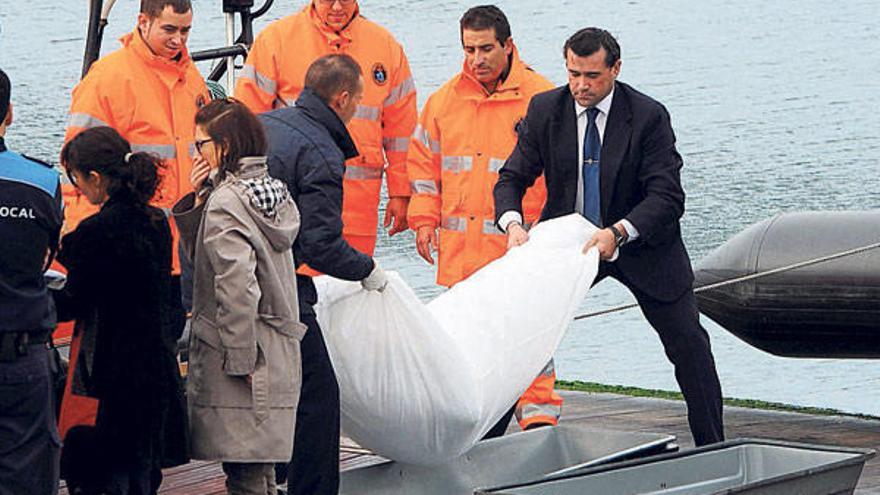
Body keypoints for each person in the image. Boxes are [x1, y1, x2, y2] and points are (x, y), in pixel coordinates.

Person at [494, 27, 724, 446]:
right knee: (521, 338)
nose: (581, 85)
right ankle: (480, 445)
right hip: (571, 244)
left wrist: (618, 233)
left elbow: (667, 197)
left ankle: (714, 446)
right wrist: (512, 224)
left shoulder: (649, 116)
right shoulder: (546, 110)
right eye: (573, 74)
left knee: (689, 343)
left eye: (593, 76)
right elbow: (511, 177)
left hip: (642, 244)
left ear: (615, 69)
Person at [406, 5, 562, 436]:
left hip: (519, 253)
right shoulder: (444, 101)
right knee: (471, 350)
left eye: (486, 48)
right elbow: (422, 166)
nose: (477, 58)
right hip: (463, 256)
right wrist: (423, 220)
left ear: (508, 45)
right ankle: (478, 428)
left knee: (532, 342)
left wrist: (547, 239)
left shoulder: (542, 99)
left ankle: (540, 426)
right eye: (469, 49)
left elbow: (561, 179)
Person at [259, 54, 388, 495]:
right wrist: (367, 270)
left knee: (269, 386)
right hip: (278, 285)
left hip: (234, 278)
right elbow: (319, 244)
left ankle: (270, 476)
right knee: (317, 393)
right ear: (343, 97)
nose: (357, 111)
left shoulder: (265, 123)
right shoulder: (321, 152)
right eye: (357, 103)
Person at [172, 99, 303, 495]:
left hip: (243, 351)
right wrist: (200, 198)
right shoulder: (272, 192)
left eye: (202, 145)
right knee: (260, 468)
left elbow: (235, 284)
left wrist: (240, 355)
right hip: (278, 345)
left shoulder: (228, 204)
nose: (197, 153)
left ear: (224, 146)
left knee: (245, 474)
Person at [53, 126, 189, 494]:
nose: (78, 189)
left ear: (95, 178)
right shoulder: (158, 222)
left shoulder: (94, 234)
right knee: (142, 474)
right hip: (155, 372)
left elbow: (72, 303)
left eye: (77, 180)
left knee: (103, 477)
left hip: (109, 378)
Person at [235, 0, 417, 261]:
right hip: (293, 204)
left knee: (352, 286)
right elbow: (247, 123)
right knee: (298, 290)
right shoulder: (276, 41)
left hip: (359, 209)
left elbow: (403, 131)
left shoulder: (385, 47)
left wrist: (401, 193)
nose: (336, 7)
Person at [0, 68, 63, 495]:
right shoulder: (40, 182)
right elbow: (46, 256)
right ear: (9, 114)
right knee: (28, 473)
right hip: (20, 354)